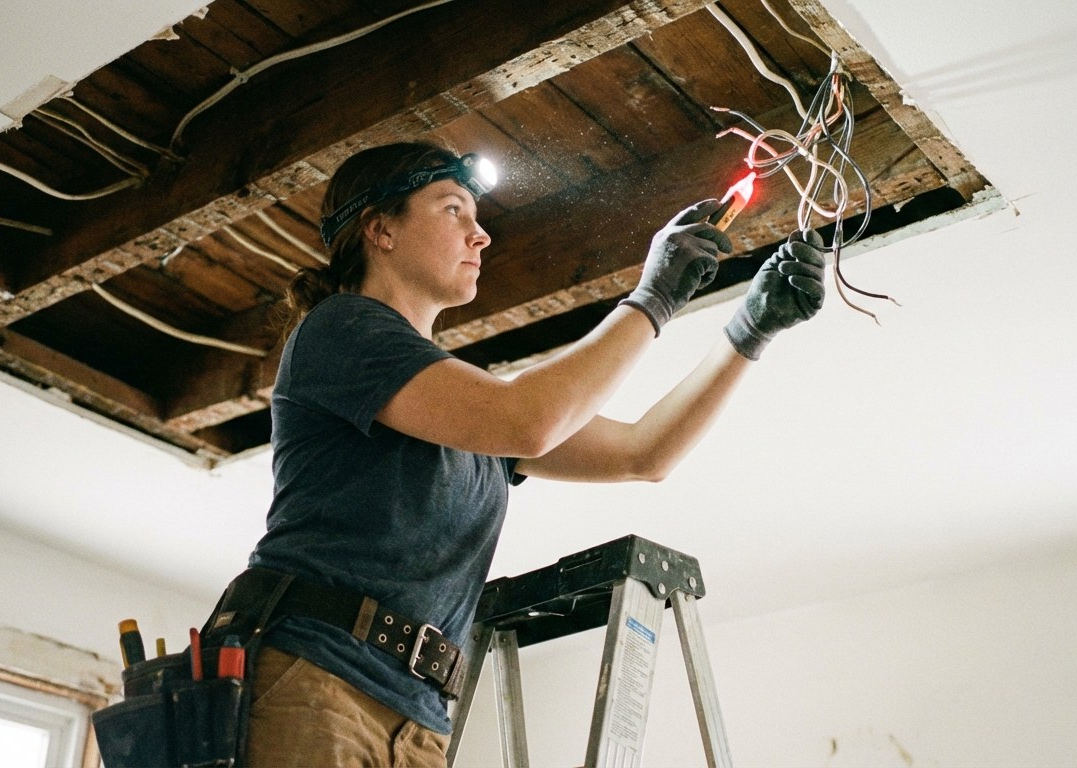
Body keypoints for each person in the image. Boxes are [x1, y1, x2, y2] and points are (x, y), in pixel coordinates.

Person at [233, 140, 825, 766]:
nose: (480, 235)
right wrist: (651, 301)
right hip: (318, 674)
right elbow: (529, 421)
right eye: (453, 210)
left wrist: (749, 332)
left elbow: (642, 452)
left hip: (418, 716)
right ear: (380, 229)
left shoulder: (469, 413)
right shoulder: (340, 329)